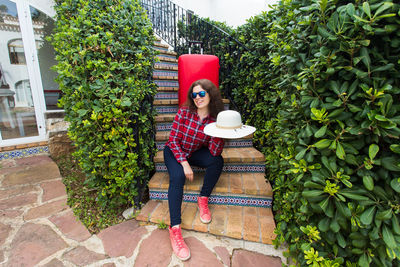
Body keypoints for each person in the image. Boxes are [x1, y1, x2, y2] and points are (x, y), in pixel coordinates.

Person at [164, 79, 225, 261]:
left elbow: (214, 151)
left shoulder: (215, 119)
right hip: (174, 151)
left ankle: (203, 198)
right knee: (177, 177)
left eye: (201, 94)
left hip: (194, 152)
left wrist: (219, 133)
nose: (197, 97)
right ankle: (175, 229)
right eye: (194, 94)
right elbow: (173, 139)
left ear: (210, 94)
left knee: (217, 161)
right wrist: (184, 163)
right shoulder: (184, 112)